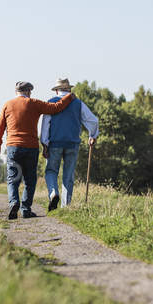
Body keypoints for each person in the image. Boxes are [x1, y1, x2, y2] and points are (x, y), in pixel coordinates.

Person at [0, 81, 75, 219]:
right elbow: (55, 107)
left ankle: (14, 203)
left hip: (13, 147)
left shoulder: (7, 105)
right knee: (30, 180)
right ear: (28, 92)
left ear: (16, 92)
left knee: (12, 179)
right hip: (31, 147)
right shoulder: (34, 103)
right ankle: (25, 209)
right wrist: (69, 97)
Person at [40, 77, 99, 210]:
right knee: (68, 175)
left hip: (55, 143)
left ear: (56, 91)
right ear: (69, 89)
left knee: (51, 171)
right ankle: (66, 206)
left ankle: (53, 192)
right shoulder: (78, 103)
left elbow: (45, 126)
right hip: (72, 143)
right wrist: (92, 135)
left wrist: (44, 143)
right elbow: (93, 121)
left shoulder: (50, 103)